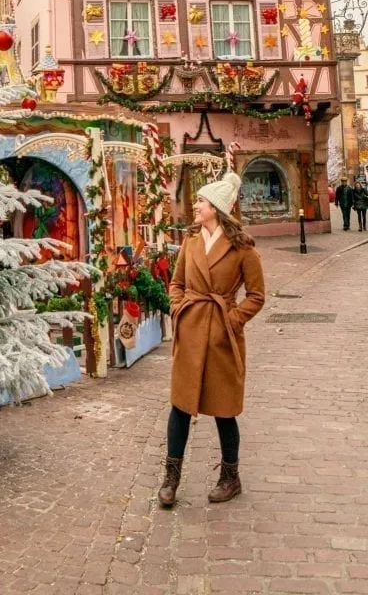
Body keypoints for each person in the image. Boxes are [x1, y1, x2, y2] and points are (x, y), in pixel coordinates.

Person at [158, 171, 265, 509]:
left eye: (201, 201)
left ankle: (231, 477)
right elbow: (175, 283)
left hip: (222, 335)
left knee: (224, 409)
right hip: (190, 331)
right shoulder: (190, 242)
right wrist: (178, 309)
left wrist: (232, 320)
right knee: (179, 406)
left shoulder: (242, 247)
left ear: (216, 208)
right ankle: (171, 478)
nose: (196, 205)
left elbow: (257, 295)